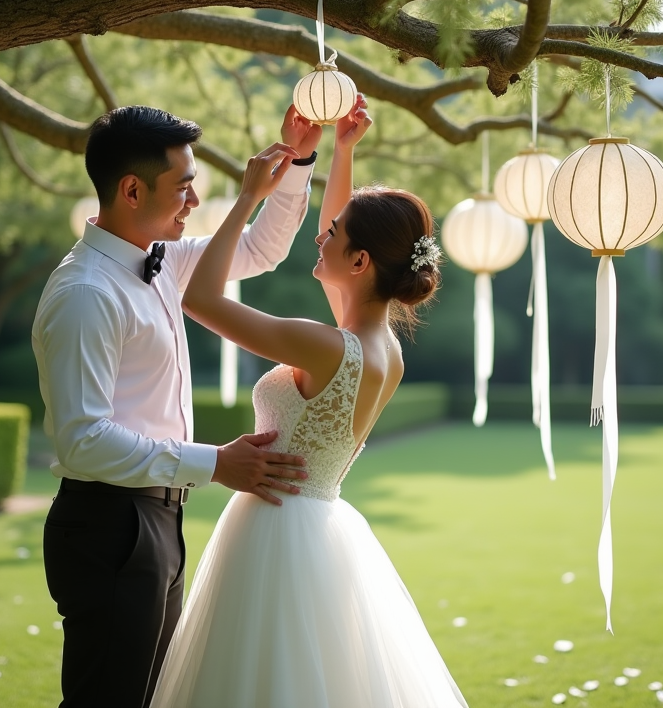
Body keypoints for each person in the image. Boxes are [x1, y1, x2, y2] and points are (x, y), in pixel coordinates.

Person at [151, 96, 467, 708]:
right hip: (320, 528)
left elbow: (201, 299)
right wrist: (342, 152)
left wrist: (250, 197)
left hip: (274, 535)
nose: (320, 237)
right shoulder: (379, 352)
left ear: (360, 261)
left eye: (334, 235)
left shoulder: (322, 345)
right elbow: (345, 240)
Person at [32, 104, 323, 708]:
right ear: (132, 189)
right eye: (184, 187)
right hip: (110, 525)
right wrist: (215, 462)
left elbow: (260, 249)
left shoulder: (159, 262)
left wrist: (296, 162)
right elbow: (82, 440)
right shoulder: (86, 293)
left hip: (156, 519)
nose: (193, 201)